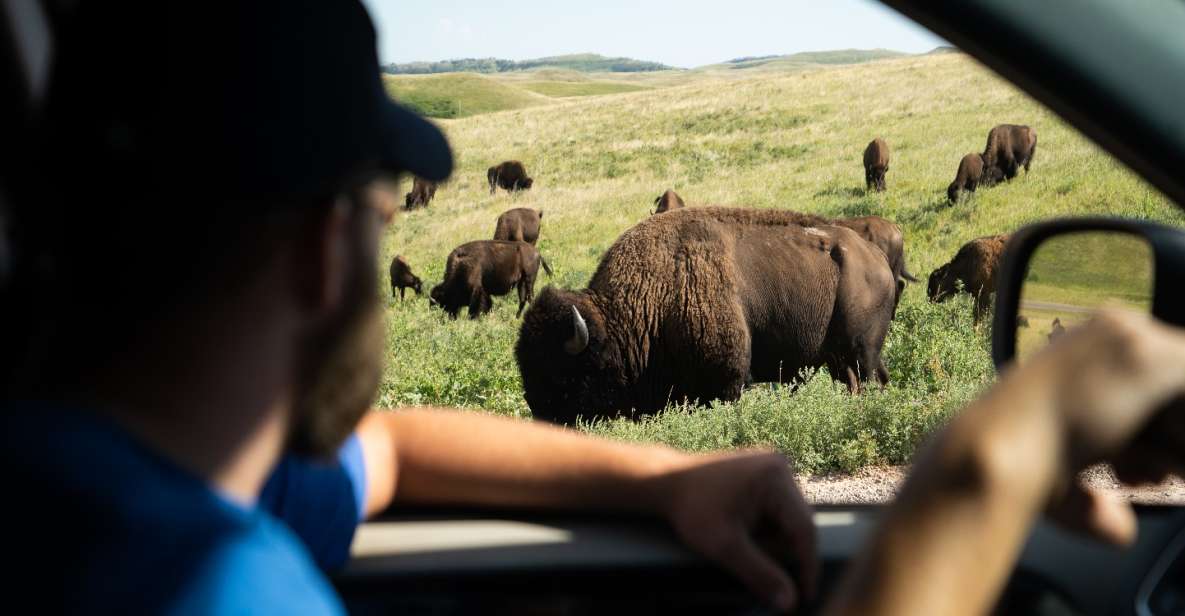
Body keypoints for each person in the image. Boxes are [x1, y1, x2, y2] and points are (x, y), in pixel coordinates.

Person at [2, 2, 814, 613]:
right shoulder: (221, 583)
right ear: (323, 251)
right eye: (381, 220)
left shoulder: (156, 466)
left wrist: (667, 480)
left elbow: (387, 449)